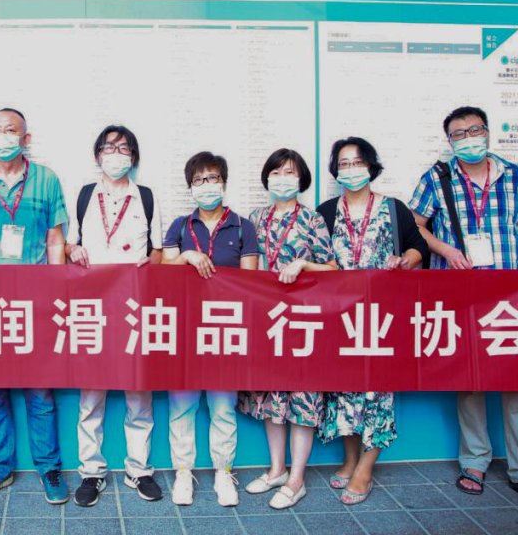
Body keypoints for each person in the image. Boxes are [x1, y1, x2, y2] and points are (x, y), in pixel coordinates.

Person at [410, 105, 518, 512]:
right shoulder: (437, 178)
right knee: (470, 382)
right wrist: (446, 250)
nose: (468, 139)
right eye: (459, 134)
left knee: (516, 382)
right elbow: (415, 226)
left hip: (506, 292)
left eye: (474, 130)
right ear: (449, 141)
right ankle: (475, 462)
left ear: (487, 131)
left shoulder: (512, 174)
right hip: (460, 291)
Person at [0, 108, 70, 506]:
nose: (3, 136)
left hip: (34, 301)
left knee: (40, 391)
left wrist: (55, 293)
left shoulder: (46, 179)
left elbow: (55, 240)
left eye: (11, 130)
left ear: (26, 138)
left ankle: (49, 468)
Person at [315, 137, 429, 505]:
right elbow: (317, 257)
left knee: (378, 390)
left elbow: (418, 247)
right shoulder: (326, 211)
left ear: (371, 166)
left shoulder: (393, 208)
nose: (350, 169)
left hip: (382, 315)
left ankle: (365, 468)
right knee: (343, 389)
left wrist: (405, 260)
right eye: (343, 164)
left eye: (357, 162)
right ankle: (350, 459)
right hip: (339, 315)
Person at [65, 125, 164, 507]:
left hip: (133, 307)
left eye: (124, 148)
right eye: (109, 148)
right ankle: (91, 472)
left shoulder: (147, 197)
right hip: (93, 309)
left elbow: (158, 251)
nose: (116, 154)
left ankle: (139, 470)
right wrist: (73, 251)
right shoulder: (85, 195)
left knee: (138, 391)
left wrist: (151, 263)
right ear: (97, 156)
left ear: (133, 158)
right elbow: (70, 243)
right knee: (91, 395)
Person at [239, 148, 336, 510]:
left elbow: (333, 268)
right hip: (266, 320)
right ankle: (277, 470)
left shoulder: (312, 219)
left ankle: (297, 480)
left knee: (303, 397)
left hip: (303, 321)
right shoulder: (255, 218)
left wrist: (304, 265)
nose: (282, 179)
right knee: (271, 396)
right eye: (276, 172)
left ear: (301, 179)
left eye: (290, 173)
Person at [161, 151, 258, 507]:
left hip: (225, 330)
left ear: (224, 182)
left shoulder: (243, 226)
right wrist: (186, 257)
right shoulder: (179, 226)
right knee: (181, 407)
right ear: (190, 187)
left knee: (222, 407)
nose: (206, 185)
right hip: (184, 331)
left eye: (213, 178)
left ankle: (223, 472)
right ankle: (182, 472)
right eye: (199, 180)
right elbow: (162, 273)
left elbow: (250, 281)